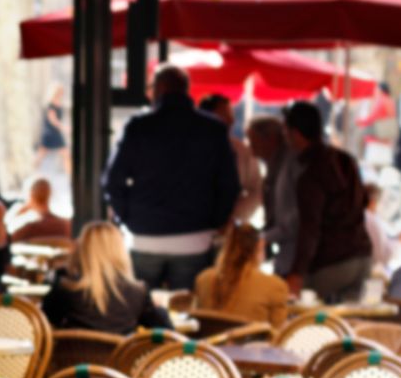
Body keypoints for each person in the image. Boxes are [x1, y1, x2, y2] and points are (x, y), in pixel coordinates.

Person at [102, 64, 240, 290]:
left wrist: (129, 217)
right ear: (186, 90)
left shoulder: (139, 127)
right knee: (185, 312)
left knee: (140, 310)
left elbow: (113, 181)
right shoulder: (212, 129)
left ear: (159, 89)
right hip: (195, 238)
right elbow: (229, 185)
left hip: (145, 235)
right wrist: (213, 222)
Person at [282, 100, 371, 304]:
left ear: (295, 133)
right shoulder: (345, 160)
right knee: (348, 323)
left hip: (332, 262)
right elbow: (364, 200)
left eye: (285, 131)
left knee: (310, 319)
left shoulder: (311, 175)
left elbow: (310, 229)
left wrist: (297, 273)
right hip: (362, 255)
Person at [41, 221, 171, 334]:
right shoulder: (138, 292)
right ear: (120, 251)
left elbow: (45, 322)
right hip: (122, 362)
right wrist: (159, 309)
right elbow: (166, 332)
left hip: (73, 362)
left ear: (83, 249)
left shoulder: (65, 287)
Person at [193, 222, 290, 328]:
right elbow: (279, 333)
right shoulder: (275, 286)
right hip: (253, 343)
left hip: (208, 343)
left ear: (226, 246)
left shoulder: (203, 279)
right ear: (259, 246)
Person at [201, 93, 264, 224]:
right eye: (224, 115)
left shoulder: (241, 150)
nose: (231, 120)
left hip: (230, 228)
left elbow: (258, 188)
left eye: (231, 115)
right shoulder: (192, 150)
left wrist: (236, 215)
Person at [247, 115, 296, 265]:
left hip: (294, 254)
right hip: (287, 250)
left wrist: (264, 237)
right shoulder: (276, 165)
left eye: (253, 141)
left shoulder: (287, 168)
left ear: (271, 139)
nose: (251, 148)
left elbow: (291, 222)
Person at [8, 178, 71, 242]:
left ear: (31, 196)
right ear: (50, 194)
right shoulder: (66, 225)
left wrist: (16, 214)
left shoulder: (28, 229)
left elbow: (6, 241)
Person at [36, 83, 70, 178]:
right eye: (60, 91)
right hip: (50, 132)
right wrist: (64, 128)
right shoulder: (51, 105)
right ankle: (32, 171)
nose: (62, 93)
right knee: (41, 153)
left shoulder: (59, 103)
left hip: (56, 132)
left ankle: (69, 175)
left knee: (65, 154)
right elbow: (53, 120)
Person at [363, 184, 396, 276]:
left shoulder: (358, 216)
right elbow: (382, 256)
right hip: (367, 272)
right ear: (373, 202)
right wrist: (400, 241)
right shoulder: (371, 220)